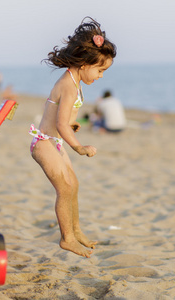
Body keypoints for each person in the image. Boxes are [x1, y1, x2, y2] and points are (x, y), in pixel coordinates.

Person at [29, 17, 116, 258]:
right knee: (64, 189)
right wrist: (79, 147)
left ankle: (76, 231)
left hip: (54, 141)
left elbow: (63, 119)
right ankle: (67, 238)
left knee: (73, 185)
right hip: (44, 142)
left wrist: (72, 125)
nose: (100, 76)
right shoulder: (68, 84)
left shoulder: (76, 82)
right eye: (99, 70)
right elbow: (59, 124)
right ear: (85, 63)